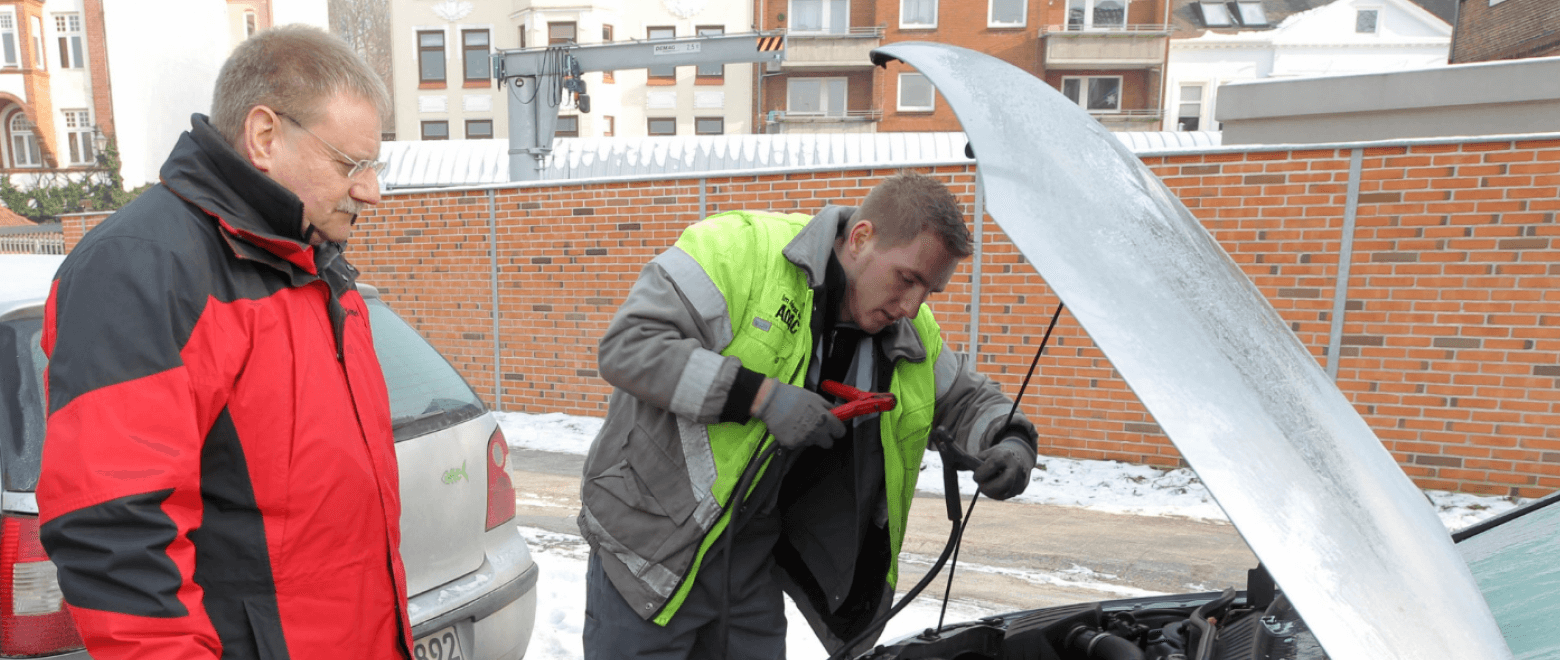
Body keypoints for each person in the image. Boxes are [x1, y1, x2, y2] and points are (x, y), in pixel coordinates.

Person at [36, 25, 409, 659]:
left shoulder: (314, 265)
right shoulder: (144, 268)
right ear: (265, 136)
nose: (372, 190)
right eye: (352, 165)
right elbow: (115, 530)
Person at [579, 171, 1041, 659]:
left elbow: (968, 400)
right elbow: (630, 348)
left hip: (749, 563)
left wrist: (1010, 440)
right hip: (650, 554)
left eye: (929, 291)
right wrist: (761, 398)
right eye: (907, 279)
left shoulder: (906, 334)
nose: (912, 306)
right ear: (861, 238)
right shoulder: (739, 251)